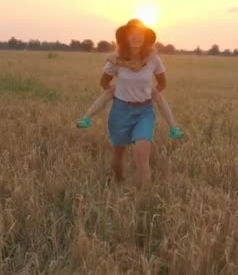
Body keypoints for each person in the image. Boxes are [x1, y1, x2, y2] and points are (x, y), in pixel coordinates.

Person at [77, 19, 183, 185]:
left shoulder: (154, 59)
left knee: (142, 156)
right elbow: (104, 82)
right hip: (120, 111)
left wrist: (150, 93)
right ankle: (118, 183)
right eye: (132, 34)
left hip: (144, 112)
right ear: (125, 38)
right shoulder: (115, 60)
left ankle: (142, 198)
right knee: (118, 155)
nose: (136, 37)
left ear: (145, 37)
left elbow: (162, 83)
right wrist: (112, 92)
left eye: (139, 34)